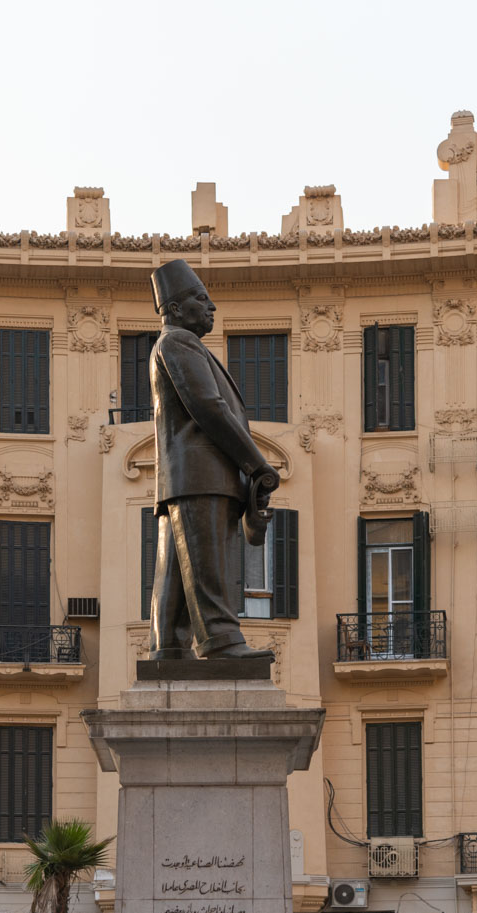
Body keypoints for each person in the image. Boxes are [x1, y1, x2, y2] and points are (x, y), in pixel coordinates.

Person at [147, 259, 281, 661]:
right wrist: (255, 463)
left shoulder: (179, 345)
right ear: (174, 308)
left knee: (175, 568)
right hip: (201, 476)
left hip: (186, 478)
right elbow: (210, 407)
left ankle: (167, 647)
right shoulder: (177, 343)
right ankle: (221, 640)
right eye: (200, 299)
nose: (212, 307)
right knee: (207, 565)